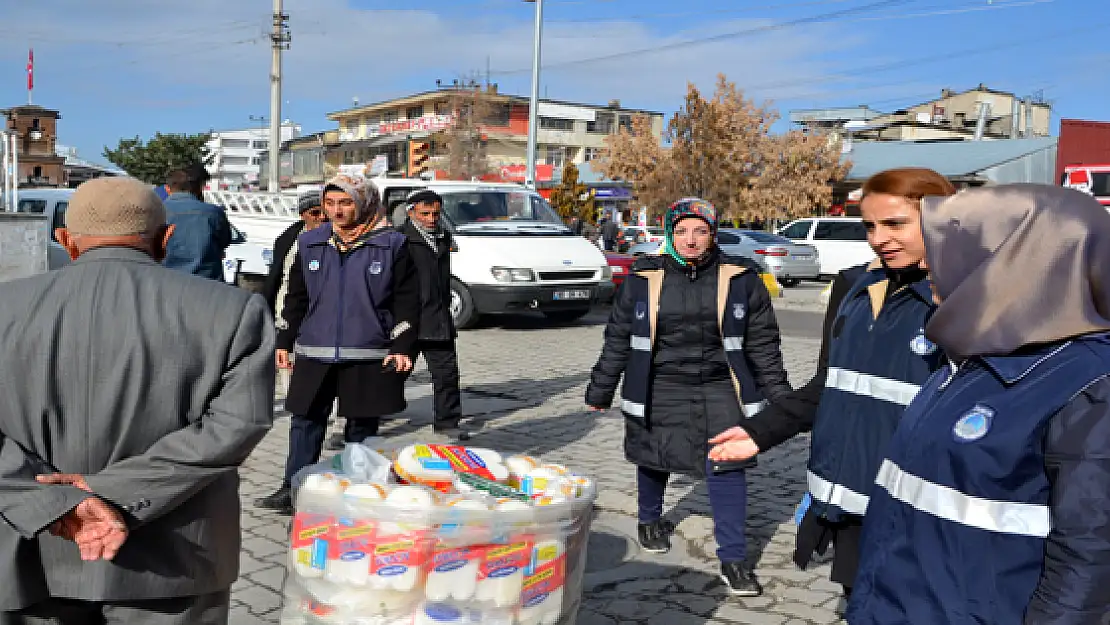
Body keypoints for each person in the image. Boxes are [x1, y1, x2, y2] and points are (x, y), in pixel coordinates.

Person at [0, 177, 274, 624]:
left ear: (65, 240)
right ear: (166, 239)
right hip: (173, 562)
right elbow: (238, 425)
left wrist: (55, 502)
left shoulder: (4, 305)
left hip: (29, 554)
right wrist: (110, 490)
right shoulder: (232, 310)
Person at [846, 184, 1110, 624]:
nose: (927, 262)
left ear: (1018, 261)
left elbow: (1091, 562)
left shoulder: (1089, 385)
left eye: (951, 247)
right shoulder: (968, 357)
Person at [708, 168, 956, 608]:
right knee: (857, 603)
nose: (879, 238)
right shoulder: (853, 285)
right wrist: (759, 431)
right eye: (870, 226)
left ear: (942, 220)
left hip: (920, 508)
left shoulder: (963, 296)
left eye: (895, 224)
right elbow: (829, 384)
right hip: (847, 499)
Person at [585, 197, 791, 596]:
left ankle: (733, 559)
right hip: (659, 383)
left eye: (700, 231)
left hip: (719, 385)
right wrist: (601, 388)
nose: (691, 240)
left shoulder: (741, 280)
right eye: (681, 231)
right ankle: (649, 519)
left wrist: (783, 401)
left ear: (713, 233)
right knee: (654, 453)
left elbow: (764, 345)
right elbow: (618, 339)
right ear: (668, 234)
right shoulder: (643, 279)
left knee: (729, 462)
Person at [256, 174, 420, 515]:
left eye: (345, 203)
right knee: (304, 421)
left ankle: (361, 493)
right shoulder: (311, 242)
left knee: (361, 428)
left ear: (363, 203)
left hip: (369, 351)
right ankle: (295, 487)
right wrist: (284, 339)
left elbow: (408, 301)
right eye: (330, 204)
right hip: (314, 350)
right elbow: (296, 298)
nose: (336, 211)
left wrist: (403, 346)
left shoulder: (393, 244)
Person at [399, 189, 469, 441]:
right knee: (392, 374)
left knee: (446, 374)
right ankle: (366, 419)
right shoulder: (400, 240)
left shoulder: (442, 237)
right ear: (411, 213)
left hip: (437, 319)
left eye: (435, 214)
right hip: (406, 320)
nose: (430, 219)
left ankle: (447, 422)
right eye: (424, 213)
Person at [162, 163, 233, 281]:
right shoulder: (213, 213)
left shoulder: (156, 211)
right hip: (207, 282)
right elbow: (225, 241)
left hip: (167, 280)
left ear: (167, 189)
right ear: (197, 188)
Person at [262, 190, 328, 315]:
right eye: (315, 213)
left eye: (326, 213)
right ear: (303, 215)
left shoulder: (334, 242)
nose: (322, 217)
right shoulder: (286, 239)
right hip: (280, 313)